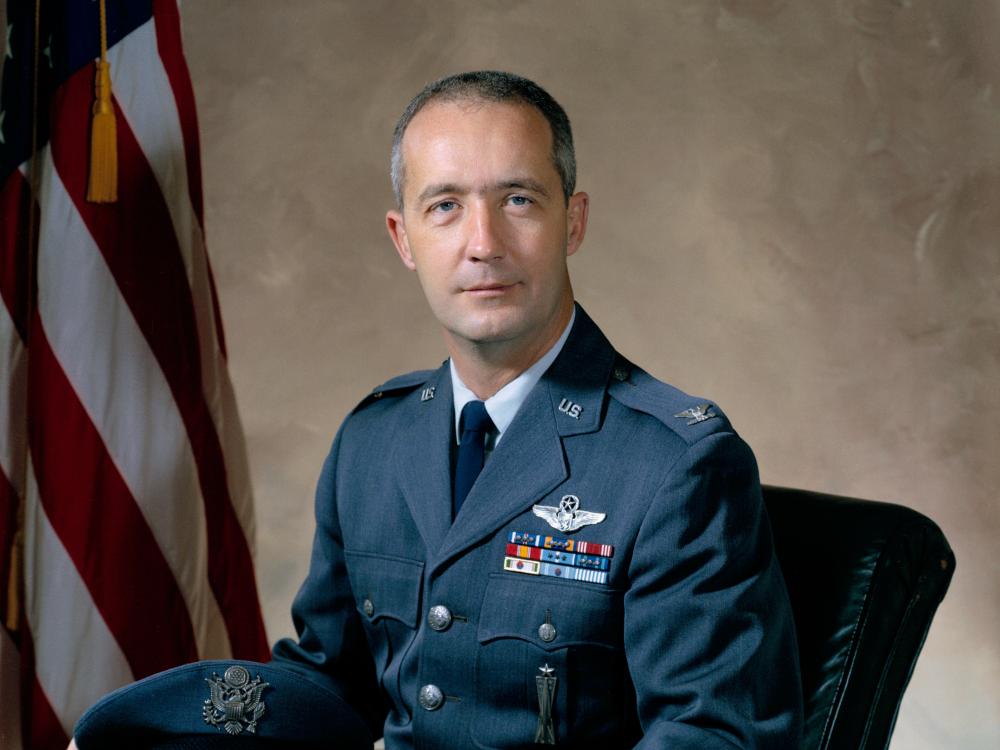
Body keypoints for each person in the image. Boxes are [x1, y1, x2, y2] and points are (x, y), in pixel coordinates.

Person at [72, 71, 802, 749]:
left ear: (573, 222)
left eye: (519, 199)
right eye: (446, 206)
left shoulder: (673, 464)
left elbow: (715, 736)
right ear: (404, 239)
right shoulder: (374, 442)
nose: (482, 244)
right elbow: (331, 687)